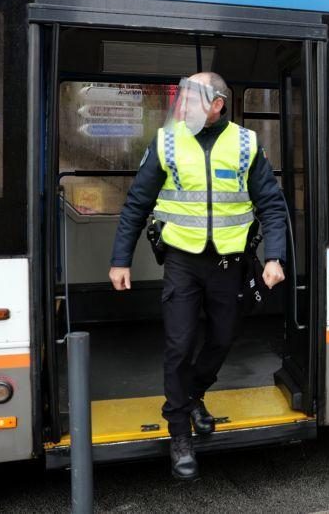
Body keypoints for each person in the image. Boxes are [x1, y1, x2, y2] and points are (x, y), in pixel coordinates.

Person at [108, 72, 287, 481]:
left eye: (192, 99)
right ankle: (178, 433)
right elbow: (137, 203)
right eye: (183, 99)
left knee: (223, 338)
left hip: (230, 264)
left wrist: (274, 257)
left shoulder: (245, 143)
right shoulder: (167, 141)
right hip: (182, 263)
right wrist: (121, 260)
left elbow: (272, 207)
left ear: (217, 104)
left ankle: (192, 397)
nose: (184, 106)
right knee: (178, 344)